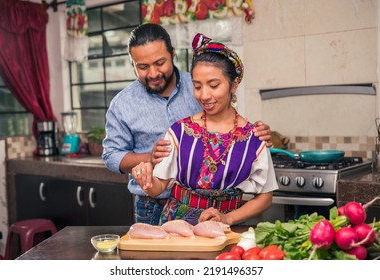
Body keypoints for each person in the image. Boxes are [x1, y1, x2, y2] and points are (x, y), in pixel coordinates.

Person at [102, 23, 272, 226]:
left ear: (172, 54)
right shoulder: (124, 104)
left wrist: (255, 136)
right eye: (143, 67)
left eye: (159, 63)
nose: (154, 73)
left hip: (226, 216)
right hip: (154, 206)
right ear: (132, 64)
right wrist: (150, 160)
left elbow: (224, 117)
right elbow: (111, 156)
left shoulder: (197, 81)